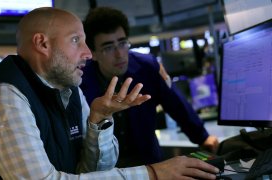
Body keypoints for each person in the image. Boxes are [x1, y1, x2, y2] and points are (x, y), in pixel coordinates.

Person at [0, 7, 219, 180]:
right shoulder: (5, 97)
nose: (88, 54)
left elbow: (92, 172)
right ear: (42, 44)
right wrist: (151, 174)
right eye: (76, 40)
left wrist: (99, 122)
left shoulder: (68, 90)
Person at [81, 7, 219, 167]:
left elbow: (176, 104)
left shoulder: (147, 67)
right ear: (93, 53)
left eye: (122, 43)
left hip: (148, 162)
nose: (119, 54)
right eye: (108, 47)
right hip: (104, 169)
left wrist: (202, 137)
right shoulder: (80, 79)